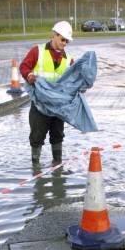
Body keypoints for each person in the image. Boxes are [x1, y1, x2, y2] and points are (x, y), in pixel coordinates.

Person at [19, 21, 74, 166]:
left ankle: (57, 163)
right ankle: (35, 166)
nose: (65, 43)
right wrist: (29, 75)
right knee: (37, 135)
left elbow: (75, 78)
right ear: (54, 35)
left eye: (67, 41)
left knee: (58, 135)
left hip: (57, 106)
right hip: (40, 104)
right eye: (63, 39)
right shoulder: (38, 51)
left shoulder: (68, 59)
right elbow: (24, 66)